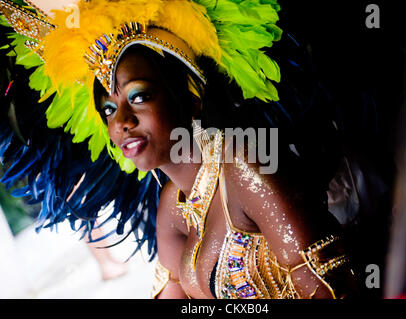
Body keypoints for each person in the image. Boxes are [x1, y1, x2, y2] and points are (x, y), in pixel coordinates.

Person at [0, 0, 357, 298]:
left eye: (139, 96)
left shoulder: (244, 168)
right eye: (108, 110)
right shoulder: (172, 205)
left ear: (190, 98)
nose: (122, 120)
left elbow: (331, 287)